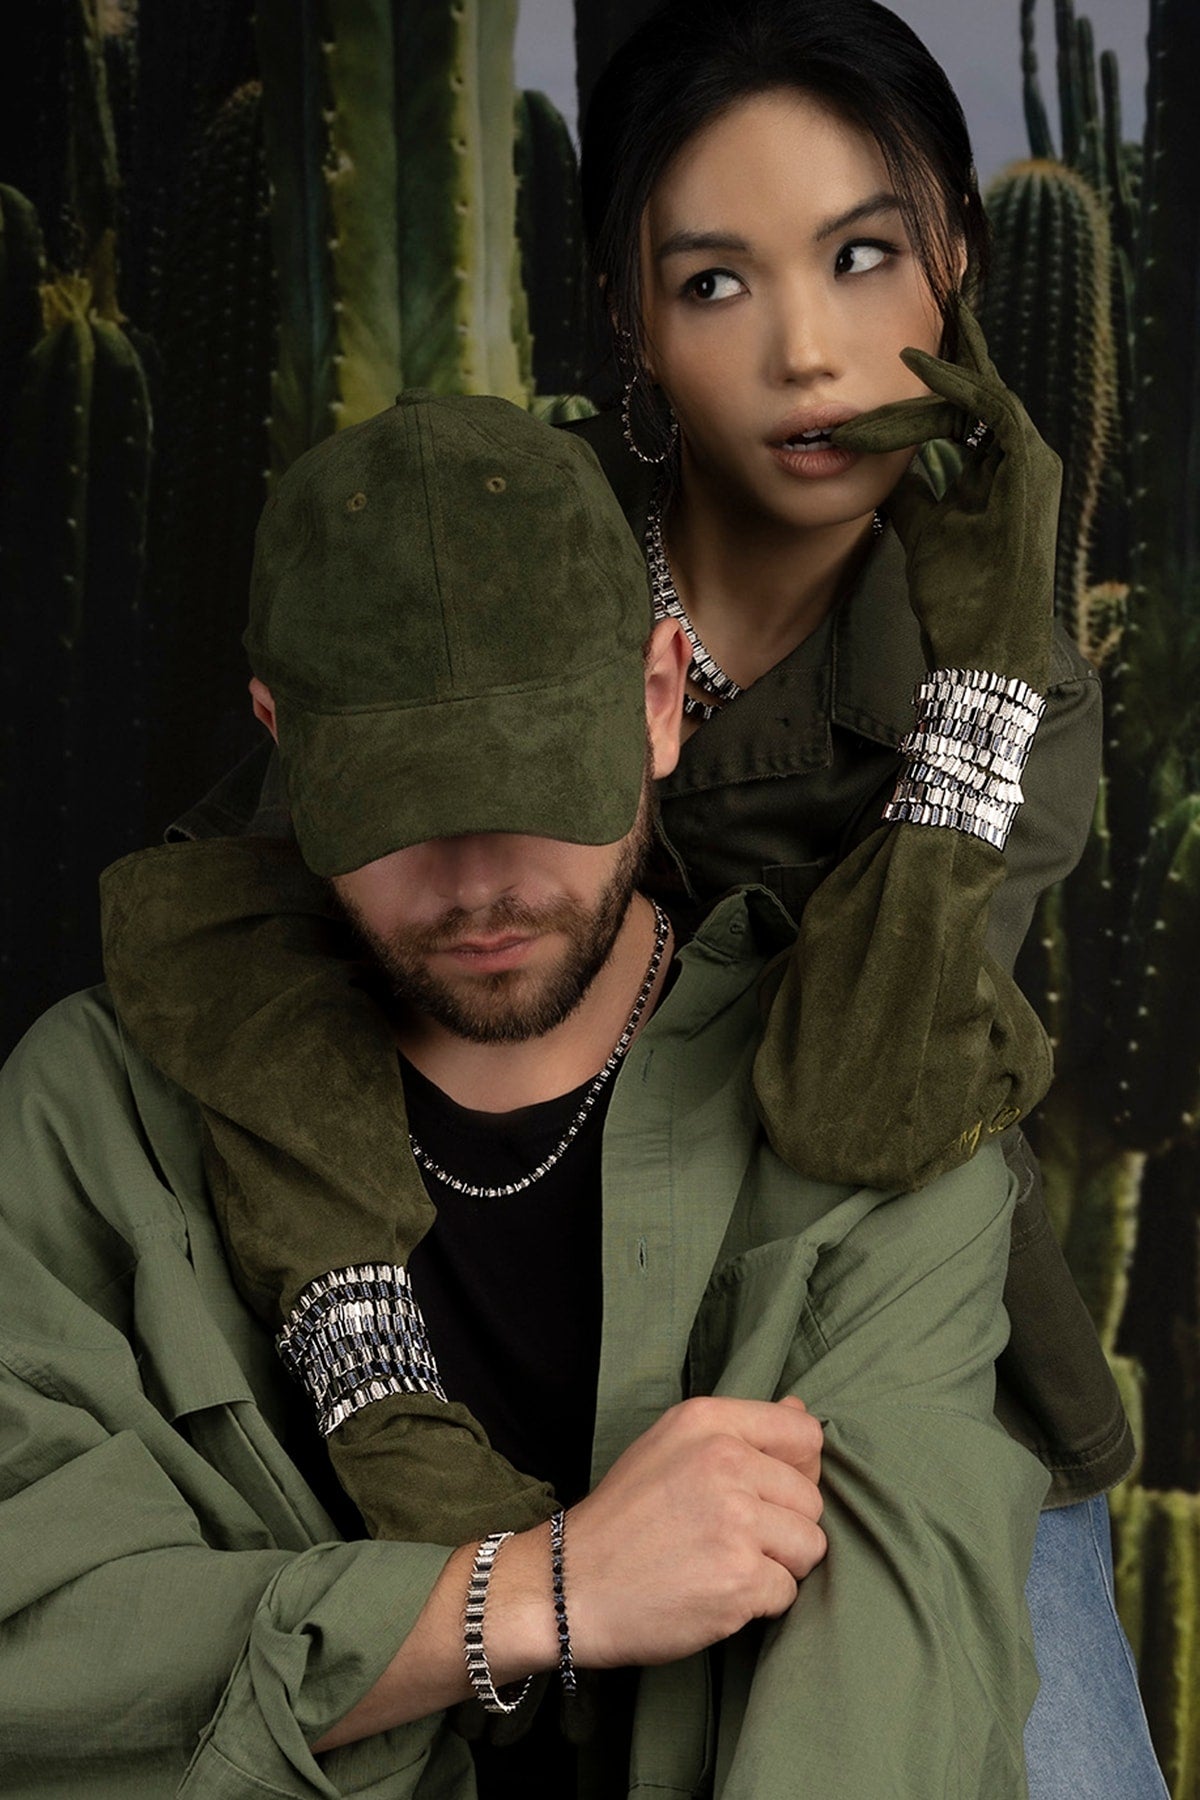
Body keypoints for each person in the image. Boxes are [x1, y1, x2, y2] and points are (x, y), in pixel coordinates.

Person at [95, 0, 1162, 1793]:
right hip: (498, 1337)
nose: (808, 354)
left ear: (959, 262)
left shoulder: (1006, 678)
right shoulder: (504, 533)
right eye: (716, 283)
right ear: (633, 321)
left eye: (863, 255)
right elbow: (238, 918)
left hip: (886, 1385)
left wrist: (979, 682)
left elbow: (868, 1102)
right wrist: (369, 1364)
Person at [2, 390, 1049, 1796]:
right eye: (398, 808)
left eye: (537, 787)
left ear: (659, 701)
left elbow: (887, 1701)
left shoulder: (872, 1125)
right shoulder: (93, 1117)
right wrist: (532, 1596)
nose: (480, 882)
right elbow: (38, 1658)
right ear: (282, 741)